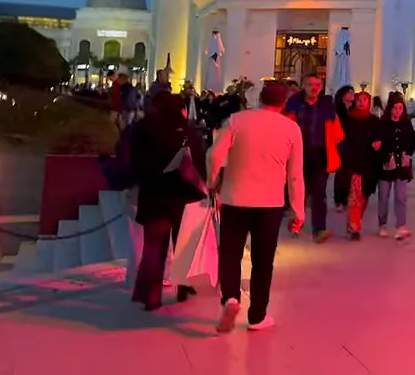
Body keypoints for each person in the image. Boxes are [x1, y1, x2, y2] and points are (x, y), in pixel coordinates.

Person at [207, 81, 305, 333]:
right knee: (263, 261)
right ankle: (257, 316)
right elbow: (295, 175)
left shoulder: (237, 120)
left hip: (234, 199)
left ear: (260, 98)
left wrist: (212, 180)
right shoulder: (291, 129)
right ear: (284, 103)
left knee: (230, 253)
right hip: (270, 204)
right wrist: (298, 209)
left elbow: (214, 155)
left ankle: (230, 297)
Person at [130, 92, 206, 311]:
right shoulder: (189, 132)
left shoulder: (144, 130)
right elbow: (200, 162)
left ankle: (152, 296)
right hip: (185, 198)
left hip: (154, 195)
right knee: (184, 246)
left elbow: (133, 162)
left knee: (154, 247)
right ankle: (183, 287)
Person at [283, 74, 344, 243]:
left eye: (317, 84)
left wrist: (337, 153)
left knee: (319, 193)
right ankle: (295, 224)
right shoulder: (294, 104)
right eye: (310, 84)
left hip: (320, 155)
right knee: (297, 193)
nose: (314, 87)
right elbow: (285, 128)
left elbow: (337, 133)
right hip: (298, 154)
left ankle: (319, 230)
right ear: (304, 86)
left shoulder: (326, 106)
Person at [340, 91, 381, 240]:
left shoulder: (374, 121)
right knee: (354, 195)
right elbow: (342, 139)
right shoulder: (349, 120)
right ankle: (354, 226)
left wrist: (378, 144)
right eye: (359, 100)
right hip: (352, 162)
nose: (362, 102)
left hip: (369, 163)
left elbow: (380, 137)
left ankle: (355, 223)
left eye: (365, 100)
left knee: (364, 194)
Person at [376, 91, 415, 239]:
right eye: (395, 108)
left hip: (402, 166)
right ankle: (382, 224)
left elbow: (413, 140)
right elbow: (378, 144)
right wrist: (387, 157)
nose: (398, 111)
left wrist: (408, 153)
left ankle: (401, 225)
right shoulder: (383, 124)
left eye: (400, 108)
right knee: (383, 197)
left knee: (401, 197)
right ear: (390, 109)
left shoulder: (406, 123)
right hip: (386, 166)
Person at [332, 85, 357, 212]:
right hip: (340, 144)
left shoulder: (354, 110)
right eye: (349, 92)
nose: (352, 94)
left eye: (353, 92)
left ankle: (346, 197)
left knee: (349, 173)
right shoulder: (337, 111)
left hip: (352, 144)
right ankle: (339, 199)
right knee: (341, 173)